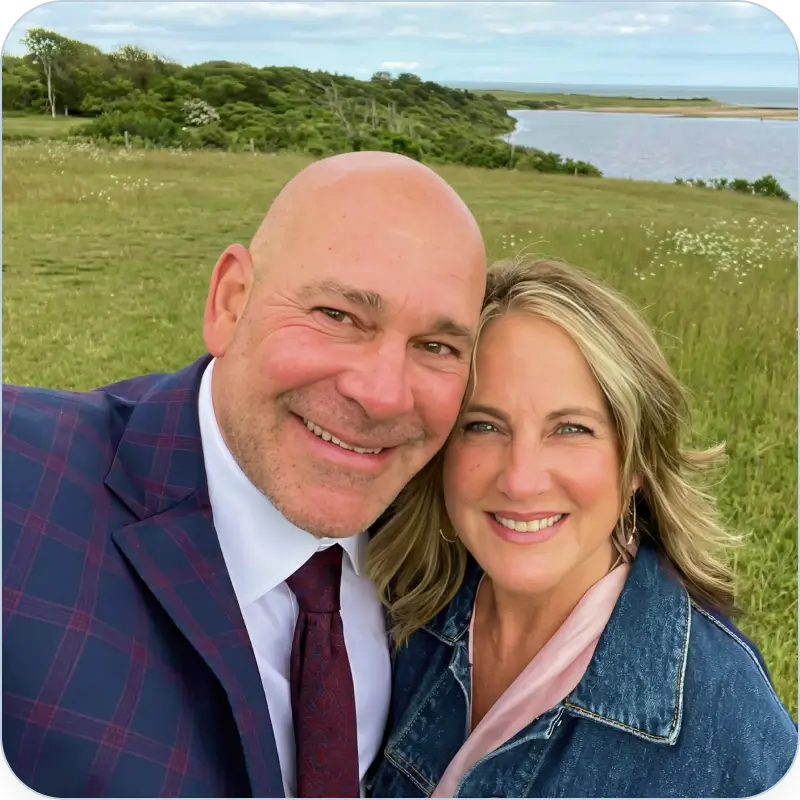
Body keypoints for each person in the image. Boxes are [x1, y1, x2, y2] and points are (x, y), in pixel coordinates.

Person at [2, 151, 487, 798]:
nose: (383, 395)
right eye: (336, 316)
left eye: (436, 347)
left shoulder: (457, 543)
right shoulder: (21, 482)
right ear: (231, 301)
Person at [366, 257, 797, 799]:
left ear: (636, 460)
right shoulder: (398, 605)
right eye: (483, 426)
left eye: (572, 428)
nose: (521, 480)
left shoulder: (728, 721)